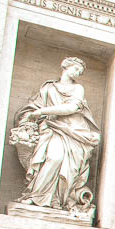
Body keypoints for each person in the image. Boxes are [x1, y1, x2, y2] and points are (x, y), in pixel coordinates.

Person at [12, 57, 101, 212]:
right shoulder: (48, 87)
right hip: (50, 128)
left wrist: (42, 111)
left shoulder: (78, 88)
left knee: (61, 161)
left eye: (80, 72)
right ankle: (36, 196)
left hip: (73, 131)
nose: (78, 73)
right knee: (53, 158)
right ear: (65, 67)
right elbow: (33, 106)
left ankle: (57, 200)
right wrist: (30, 115)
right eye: (76, 69)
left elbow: (71, 108)